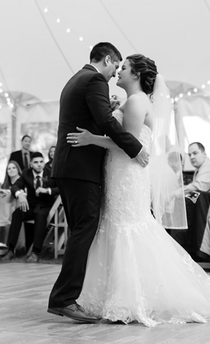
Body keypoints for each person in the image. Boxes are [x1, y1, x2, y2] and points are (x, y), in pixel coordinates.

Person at [67, 53, 210, 326]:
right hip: (123, 172)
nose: (119, 72)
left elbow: (126, 143)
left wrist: (91, 139)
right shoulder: (139, 101)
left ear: (136, 75)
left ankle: (128, 298)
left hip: (125, 173)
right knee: (124, 225)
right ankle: (119, 295)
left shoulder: (136, 101)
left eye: (124, 68)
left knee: (126, 226)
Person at [47, 42, 149, 323]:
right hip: (80, 169)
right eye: (116, 66)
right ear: (107, 59)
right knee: (84, 230)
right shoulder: (94, 79)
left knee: (81, 231)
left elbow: (94, 115)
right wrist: (136, 147)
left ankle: (66, 297)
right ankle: (64, 299)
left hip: (69, 168)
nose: (116, 73)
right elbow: (104, 120)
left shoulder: (76, 78)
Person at [3, 154, 57, 262]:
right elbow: (15, 186)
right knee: (17, 213)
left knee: (40, 216)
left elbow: (60, 188)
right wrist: (20, 195)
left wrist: (47, 190)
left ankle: (35, 252)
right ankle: (11, 250)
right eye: (36, 162)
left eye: (41, 162)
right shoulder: (26, 173)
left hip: (45, 206)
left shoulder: (51, 172)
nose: (39, 165)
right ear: (31, 164)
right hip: (31, 206)